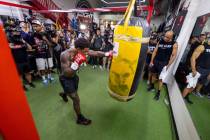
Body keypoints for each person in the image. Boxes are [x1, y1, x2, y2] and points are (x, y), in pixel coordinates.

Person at [59, 38, 113, 125]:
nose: (86, 53)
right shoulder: (65, 55)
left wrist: (108, 53)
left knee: (72, 92)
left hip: (74, 77)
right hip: (66, 78)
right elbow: (66, 73)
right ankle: (79, 118)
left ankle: (64, 93)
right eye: (84, 51)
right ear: (78, 49)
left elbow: (95, 53)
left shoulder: (83, 50)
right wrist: (77, 62)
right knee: (76, 98)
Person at [148, 31, 178, 100]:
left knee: (161, 78)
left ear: (171, 37)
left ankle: (158, 93)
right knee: (153, 74)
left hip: (164, 63)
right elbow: (155, 51)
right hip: (156, 61)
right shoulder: (160, 41)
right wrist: (152, 61)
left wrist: (168, 65)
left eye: (167, 37)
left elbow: (174, 56)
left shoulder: (174, 44)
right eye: (165, 36)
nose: (165, 38)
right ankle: (152, 86)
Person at [182, 38, 210, 103]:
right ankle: (181, 98)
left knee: (194, 86)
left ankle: (186, 96)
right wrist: (194, 69)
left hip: (207, 70)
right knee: (189, 85)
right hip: (199, 68)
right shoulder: (202, 46)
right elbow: (193, 57)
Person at [9, 26, 35, 90]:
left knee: (28, 72)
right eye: (15, 31)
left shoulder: (22, 39)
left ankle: (30, 82)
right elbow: (11, 47)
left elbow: (30, 48)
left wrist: (24, 42)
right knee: (19, 75)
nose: (17, 32)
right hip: (17, 60)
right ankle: (22, 86)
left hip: (25, 59)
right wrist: (21, 45)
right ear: (12, 32)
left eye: (18, 31)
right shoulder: (10, 39)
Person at [31, 20, 54, 85]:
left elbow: (51, 45)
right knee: (42, 67)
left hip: (47, 53)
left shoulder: (46, 34)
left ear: (40, 26)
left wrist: (45, 39)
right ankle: (44, 79)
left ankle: (49, 76)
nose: (35, 28)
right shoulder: (33, 35)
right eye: (34, 26)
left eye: (36, 26)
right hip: (38, 54)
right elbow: (32, 45)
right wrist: (38, 44)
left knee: (49, 66)